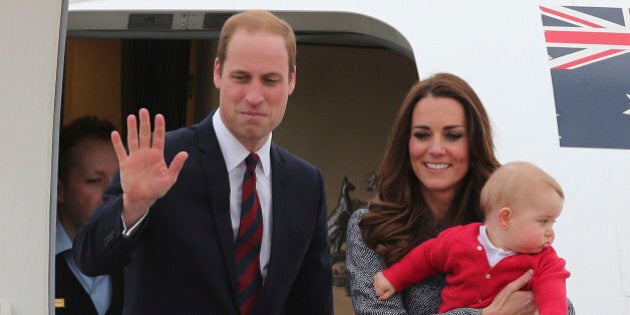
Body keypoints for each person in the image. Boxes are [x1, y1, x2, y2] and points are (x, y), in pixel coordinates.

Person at [73, 10, 333, 315]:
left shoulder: (306, 183)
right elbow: (90, 259)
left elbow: (312, 302)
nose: (254, 95)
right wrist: (133, 206)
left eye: (269, 80)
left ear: (291, 81)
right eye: (241, 77)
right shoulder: (162, 159)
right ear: (217, 73)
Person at [346, 72, 575, 314]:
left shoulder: (510, 218)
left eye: (452, 135)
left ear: (474, 143)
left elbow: (560, 302)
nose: (436, 149)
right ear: (406, 142)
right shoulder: (371, 225)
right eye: (422, 135)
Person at [373, 161, 570, 314]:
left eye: (553, 222)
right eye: (543, 221)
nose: (550, 231)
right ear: (505, 218)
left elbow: (553, 297)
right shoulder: (459, 240)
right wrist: (394, 278)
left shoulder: (545, 261)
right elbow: (425, 257)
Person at [55, 115, 123, 315]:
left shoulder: (138, 257)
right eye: (94, 180)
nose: (112, 192)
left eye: (119, 179)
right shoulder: (35, 258)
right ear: (60, 190)